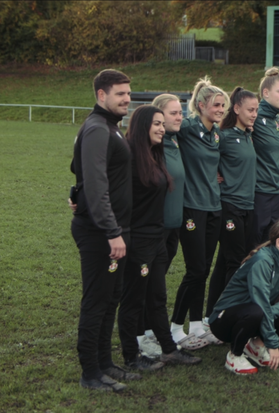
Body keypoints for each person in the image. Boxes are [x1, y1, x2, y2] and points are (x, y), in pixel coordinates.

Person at [117, 105, 201, 374]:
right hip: (137, 240)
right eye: (156, 124)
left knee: (157, 296)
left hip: (157, 236)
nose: (162, 128)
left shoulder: (155, 154)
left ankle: (168, 349)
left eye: (163, 124)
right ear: (142, 126)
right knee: (133, 300)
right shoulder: (128, 156)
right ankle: (131, 356)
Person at [70, 69, 134, 392]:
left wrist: (74, 193)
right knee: (96, 301)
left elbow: (79, 173)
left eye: (128, 92)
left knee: (111, 298)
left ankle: (106, 363)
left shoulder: (110, 127)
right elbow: (95, 185)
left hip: (113, 230)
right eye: (120, 93)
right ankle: (90, 373)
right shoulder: (97, 128)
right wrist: (111, 231)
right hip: (101, 234)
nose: (127, 98)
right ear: (101, 95)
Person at [208, 219, 279, 375]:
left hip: (257, 313)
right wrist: (272, 344)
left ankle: (256, 347)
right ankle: (234, 356)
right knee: (256, 311)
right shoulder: (262, 261)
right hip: (222, 320)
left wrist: (273, 311)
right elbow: (261, 303)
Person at [170, 76, 228, 349]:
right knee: (194, 270)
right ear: (201, 105)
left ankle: (195, 326)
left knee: (204, 268)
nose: (220, 110)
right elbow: (161, 133)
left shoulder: (216, 133)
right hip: (192, 207)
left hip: (214, 207)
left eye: (223, 106)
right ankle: (174, 328)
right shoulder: (188, 127)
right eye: (216, 105)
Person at [136, 93, 191, 358]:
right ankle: (141, 335)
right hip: (153, 229)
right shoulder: (148, 149)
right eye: (173, 113)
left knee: (156, 285)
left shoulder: (177, 140)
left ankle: (150, 332)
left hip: (174, 227)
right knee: (146, 286)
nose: (179, 117)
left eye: (181, 112)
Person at [206, 87, 259, 326]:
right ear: (236, 109)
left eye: (256, 110)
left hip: (248, 207)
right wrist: (213, 173)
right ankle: (225, 315)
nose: (254, 114)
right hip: (229, 206)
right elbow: (204, 158)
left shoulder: (248, 134)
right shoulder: (223, 136)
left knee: (228, 261)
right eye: (250, 110)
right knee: (235, 262)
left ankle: (212, 313)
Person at [251, 68, 279, 246]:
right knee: (253, 246)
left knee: (270, 244)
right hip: (259, 193)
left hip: (275, 192)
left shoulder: (275, 121)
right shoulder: (254, 117)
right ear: (265, 93)